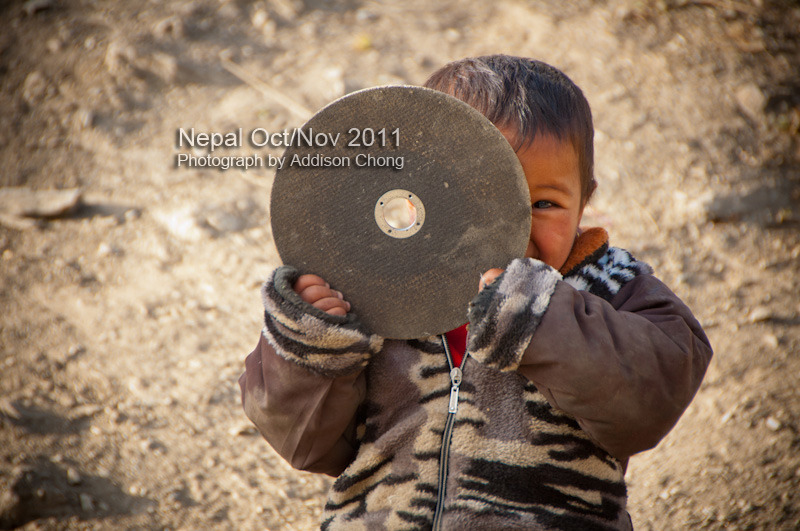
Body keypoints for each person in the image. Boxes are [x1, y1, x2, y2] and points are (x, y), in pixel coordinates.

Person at [239, 55, 713, 530]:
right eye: (480, 198)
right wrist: (313, 347)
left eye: (544, 203)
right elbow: (308, 445)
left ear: (584, 200)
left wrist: (537, 321)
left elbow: (650, 404)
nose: (516, 229)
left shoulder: (609, 287)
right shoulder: (377, 294)